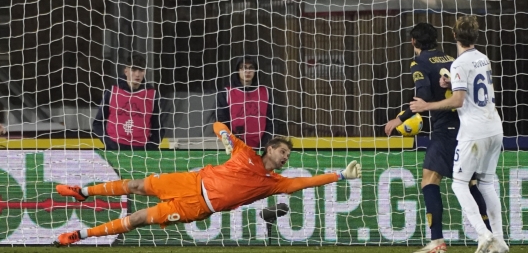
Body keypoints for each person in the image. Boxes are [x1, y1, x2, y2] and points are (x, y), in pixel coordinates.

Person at [53, 121, 362, 246]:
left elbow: (306, 183)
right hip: (189, 180)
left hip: (197, 206)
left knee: (137, 219)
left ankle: (79, 235)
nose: (286, 157)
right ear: (269, 148)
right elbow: (218, 125)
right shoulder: (243, 152)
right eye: (283, 151)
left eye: (288, 155)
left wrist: (340, 175)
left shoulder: (274, 183)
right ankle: (82, 192)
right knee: (135, 185)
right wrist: (226, 137)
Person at [384, 22, 491, 253]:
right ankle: (488, 234)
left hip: (445, 130)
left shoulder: (418, 62)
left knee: (430, 181)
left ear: (413, 42)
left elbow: (422, 95)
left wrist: (400, 119)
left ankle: (438, 242)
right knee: (470, 183)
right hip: (466, 125)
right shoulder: (451, 58)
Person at [410, 16, 508, 253]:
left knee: (459, 185)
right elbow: (471, 88)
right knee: (485, 184)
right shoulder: (483, 58)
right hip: (495, 127)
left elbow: (459, 100)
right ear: (475, 36)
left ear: (454, 36)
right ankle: (500, 240)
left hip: (473, 131)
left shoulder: (459, 64)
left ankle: (484, 235)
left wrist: (426, 107)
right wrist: (449, 83)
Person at [92, 53, 164, 150]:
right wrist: (109, 143)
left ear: (145, 72)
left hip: (141, 151)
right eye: (133, 70)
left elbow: (158, 128)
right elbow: (97, 123)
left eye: (141, 70)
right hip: (115, 149)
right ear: (126, 71)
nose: (137, 74)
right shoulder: (113, 91)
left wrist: (149, 148)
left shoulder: (152, 94)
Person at [216, 55, 275, 149]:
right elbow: (222, 121)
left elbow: (271, 121)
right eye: (243, 67)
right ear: (238, 70)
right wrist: (235, 142)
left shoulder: (266, 92)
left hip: (261, 146)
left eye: (251, 67)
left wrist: (265, 143)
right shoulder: (226, 93)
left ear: (256, 71)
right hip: (236, 146)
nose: (247, 71)